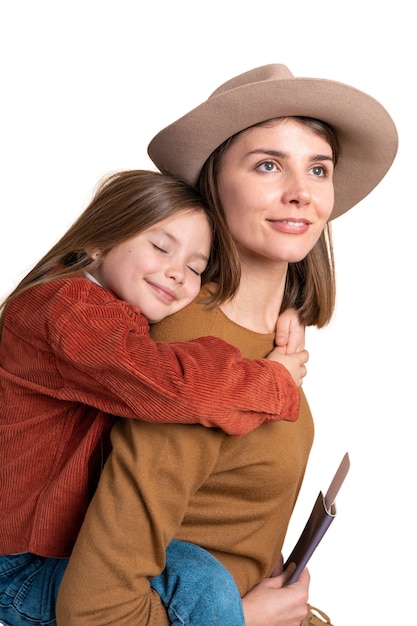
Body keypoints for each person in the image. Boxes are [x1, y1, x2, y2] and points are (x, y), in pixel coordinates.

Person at [56, 64, 398, 626]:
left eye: (318, 168)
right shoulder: (194, 360)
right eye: (268, 165)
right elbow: (93, 612)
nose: (300, 194)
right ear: (214, 182)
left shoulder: (268, 343)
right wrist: (244, 617)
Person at [0, 168, 309, 626]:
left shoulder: (110, 308)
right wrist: (271, 378)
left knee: (194, 571)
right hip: (17, 569)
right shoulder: (66, 309)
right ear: (99, 241)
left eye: (196, 268)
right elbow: (170, 385)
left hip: (49, 553)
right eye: (161, 247)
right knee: (201, 581)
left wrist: (281, 314)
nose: (176, 273)